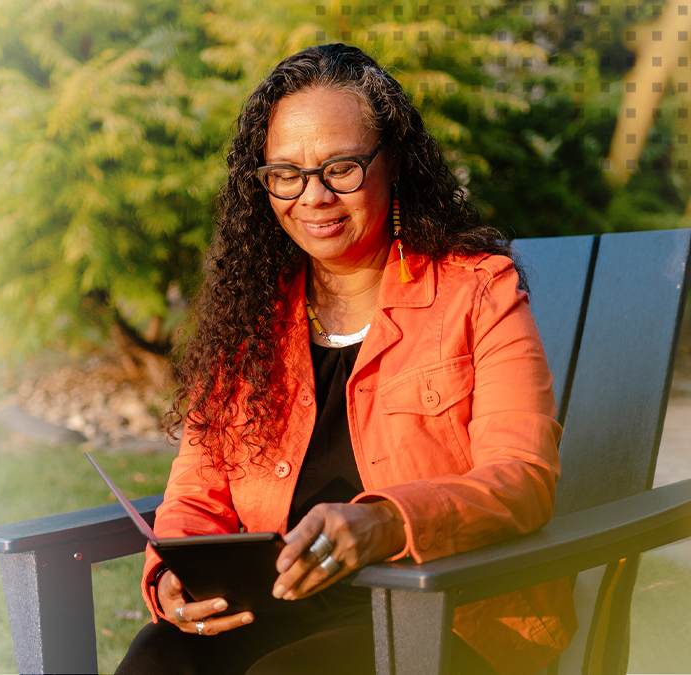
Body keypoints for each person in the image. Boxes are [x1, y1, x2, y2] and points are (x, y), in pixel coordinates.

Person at [117, 44, 577, 675]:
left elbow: (521, 478)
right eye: (287, 173)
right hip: (280, 608)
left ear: (395, 166)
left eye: (341, 168)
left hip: (447, 618)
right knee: (158, 660)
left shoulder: (478, 292)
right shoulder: (250, 321)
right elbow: (198, 496)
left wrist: (387, 524)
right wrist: (172, 573)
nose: (314, 197)